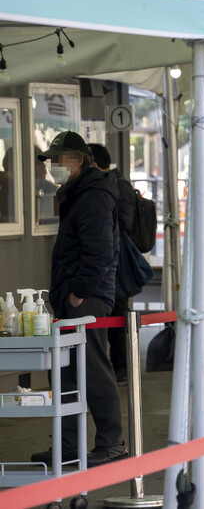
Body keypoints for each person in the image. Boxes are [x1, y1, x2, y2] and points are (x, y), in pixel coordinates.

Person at [32, 131, 127, 467]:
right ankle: (69, 445)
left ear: (77, 160)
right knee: (68, 372)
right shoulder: (78, 192)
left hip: (86, 297)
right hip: (76, 295)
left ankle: (111, 442)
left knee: (93, 368)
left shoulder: (94, 196)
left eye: (58, 159)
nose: (53, 165)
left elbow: (100, 252)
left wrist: (77, 293)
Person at [89, 144, 137, 385]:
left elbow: (124, 224)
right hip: (110, 264)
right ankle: (117, 367)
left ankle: (123, 369)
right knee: (114, 318)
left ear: (95, 163)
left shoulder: (119, 185)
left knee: (119, 319)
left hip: (118, 265)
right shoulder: (107, 183)